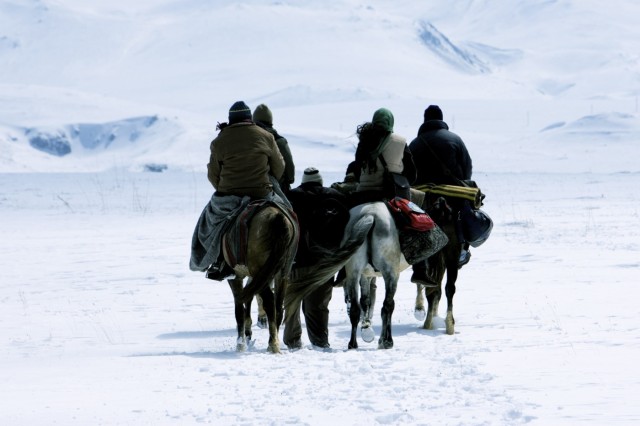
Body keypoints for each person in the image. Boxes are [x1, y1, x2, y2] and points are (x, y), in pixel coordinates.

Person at [189, 100, 287, 280]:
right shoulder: (266, 136)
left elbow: (213, 175)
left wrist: (225, 188)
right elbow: (279, 167)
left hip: (230, 195)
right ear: (250, 118)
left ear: (231, 119)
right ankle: (293, 255)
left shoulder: (219, 141)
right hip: (262, 192)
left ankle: (218, 260)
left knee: (209, 223)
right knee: (289, 213)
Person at [283, 167, 350, 350]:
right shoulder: (337, 197)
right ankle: (320, 341)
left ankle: (292, 341)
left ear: (303, 181)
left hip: (296, 259)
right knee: (318, 306)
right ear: (321, 181)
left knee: (292, 302)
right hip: (324, 262)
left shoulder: (290, 197)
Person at [408, 104, 474, 285]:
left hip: (424, 195)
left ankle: (418, 262)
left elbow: (409, 173)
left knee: (414, 223)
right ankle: (462, 248)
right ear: (441, 119)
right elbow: (467, 168)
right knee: (464, 214)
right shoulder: (455, 139)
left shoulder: (415, 143)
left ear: (425, 120)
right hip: (453, 191)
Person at [351, 108, 416, 205]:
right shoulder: (400, 142)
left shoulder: (364, 140)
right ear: (391, 122)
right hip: (391, 194)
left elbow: (357, 170)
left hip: (363, 193)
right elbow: (412, 174)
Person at [253, 104, 296, 193]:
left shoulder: (249, 140)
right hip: (277, 189)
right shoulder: (279, 141)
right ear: (270, 121)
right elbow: (290, 173)